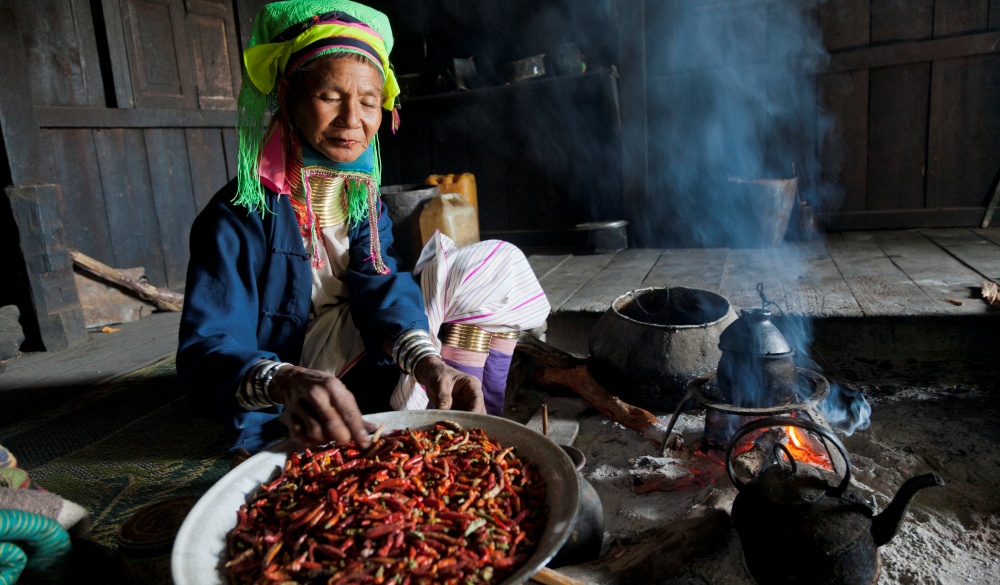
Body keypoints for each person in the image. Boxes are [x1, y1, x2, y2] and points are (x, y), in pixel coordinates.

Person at [177, 0, 549, 454]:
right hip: (293, 382)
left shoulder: (360, 198)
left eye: (369, 102)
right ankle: (407, 411)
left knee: (493, 268)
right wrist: (285, 380)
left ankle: (461, 412)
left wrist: (428, 363)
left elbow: (379, 285)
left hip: (359, 356)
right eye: (330, 97)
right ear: (287, 94)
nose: (352, 120)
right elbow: (206, 352)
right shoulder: (237, 215)